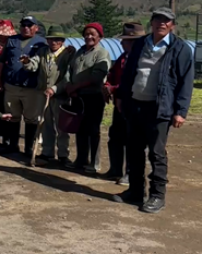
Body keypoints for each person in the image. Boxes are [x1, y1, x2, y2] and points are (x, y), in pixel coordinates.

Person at [114, 8, 194, 214]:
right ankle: (135, 191)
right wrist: (121, 96)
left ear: (172, 25)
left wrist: (181, 111)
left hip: (159, 109)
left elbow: (186, 81)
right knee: (134, 150)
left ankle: (157, 195)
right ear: (151, 22)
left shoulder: (180, 48)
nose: (162, 23)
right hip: (135, 104)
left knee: (157, 153)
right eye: (158, 19)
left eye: (166, 21)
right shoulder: (141, 43)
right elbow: (129, 72)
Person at [57, 23, 111, 173]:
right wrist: (69, 86)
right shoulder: (79, 52)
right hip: (77, 97)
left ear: (100, 37)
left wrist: (76, 87)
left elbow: (97, 76)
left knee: (93, 129)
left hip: (93, 97)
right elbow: (69, 70)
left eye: (93, 34)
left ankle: (94, 163)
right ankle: (81, 160)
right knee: (80, 128)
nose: (89, 36)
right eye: (86, 34)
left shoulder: (102, 53)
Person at [21, 26, 75, 165]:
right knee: (45, 124)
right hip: (43, 95)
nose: (54, 42)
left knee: (61, 127)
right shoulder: (43, 52)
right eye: (51, 39)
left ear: (62, 41)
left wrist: (55, 89)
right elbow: (34, 65)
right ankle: (47, 152)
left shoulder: (68, 54)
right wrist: (27, 62)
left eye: (57, 40)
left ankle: (63, 154)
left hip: (60, 95)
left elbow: (68, 77)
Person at [0, 16, 47, 155]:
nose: (26, 27)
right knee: (12, 116)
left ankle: (29, 148)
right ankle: (13, 145)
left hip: (31, 87)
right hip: (11, 86)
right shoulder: (12, 40)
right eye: (23, 25)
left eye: (29, 25)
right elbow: (1, 61)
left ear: (36, 28)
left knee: (31, 119)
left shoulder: (42, 42)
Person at [104, 22, 145, 185]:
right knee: (115, 136)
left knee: (132, 140)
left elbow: (134, 82)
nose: (122, 43)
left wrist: (114, 89)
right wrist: (108, 85)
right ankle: (115, 169)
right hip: (119, 104)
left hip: (134, 104)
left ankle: (130, 173)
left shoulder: (143, 59)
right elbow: (112, 74)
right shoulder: (122, 57)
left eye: (126, 40)